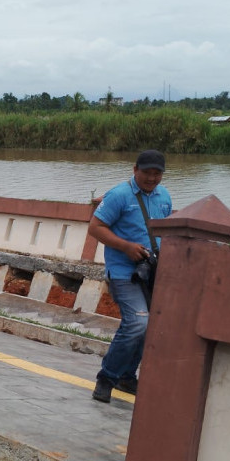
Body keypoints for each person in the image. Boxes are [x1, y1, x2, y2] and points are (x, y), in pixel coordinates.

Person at [87, 149, 172, 403]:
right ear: (135, 169)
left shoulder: (164, 195)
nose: (152, 178)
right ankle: (107, 377)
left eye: (157, 174)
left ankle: (126, 376)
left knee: (149, 329)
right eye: (147, 172)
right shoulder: (119, 195)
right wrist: (126, 247)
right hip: (124, 272)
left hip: (152, 272)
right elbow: (95, 227)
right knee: (137, 323)